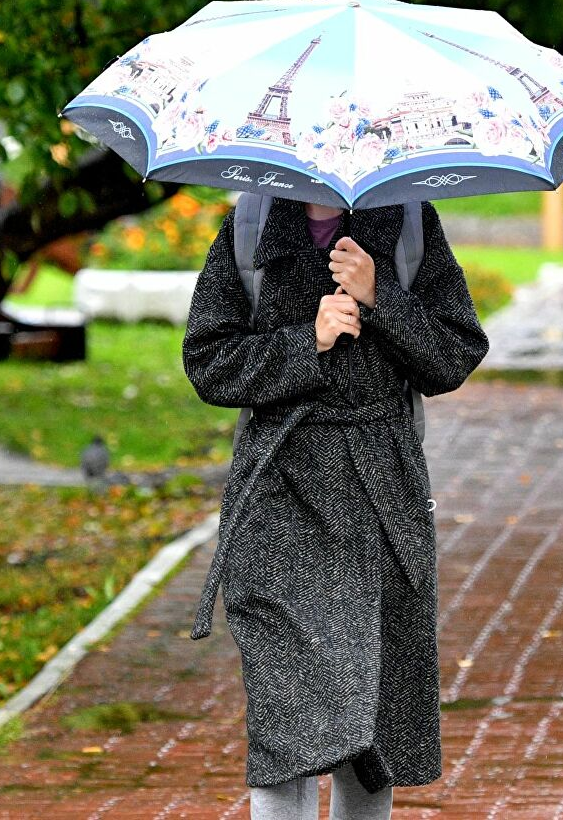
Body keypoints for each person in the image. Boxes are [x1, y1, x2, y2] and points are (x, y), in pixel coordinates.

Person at [181, 195, 488, 819]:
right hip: (279, 496)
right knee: (285, 714)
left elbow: (455, 354)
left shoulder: (406, 223)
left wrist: (382, 299)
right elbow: (208, 361)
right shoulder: (251, 225)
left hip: (383, 495)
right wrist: (306, 343)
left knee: (375, 722)